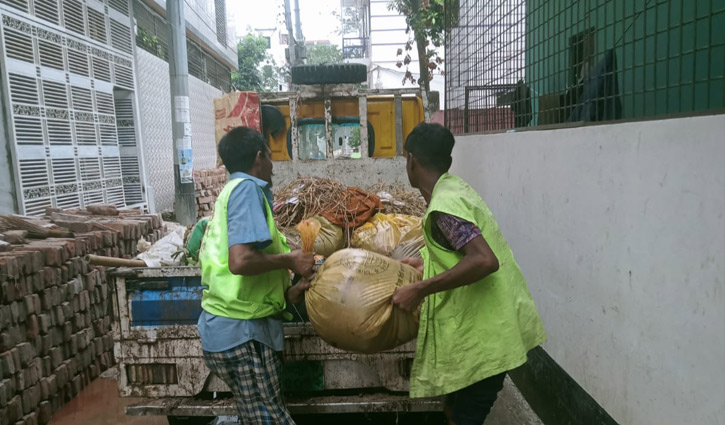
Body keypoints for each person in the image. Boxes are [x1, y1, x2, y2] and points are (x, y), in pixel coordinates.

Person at [392, 123, 547, 425]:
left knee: (464, 419)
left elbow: (484, 260)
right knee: (454, 412)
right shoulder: (453, 189)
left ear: (411, 160)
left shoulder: (444, 206)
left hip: (488, 340)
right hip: (489, 332)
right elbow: (458, 252)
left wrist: (420, 289)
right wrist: (426, 265)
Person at [198, 126, 314, 425]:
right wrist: (290, 258)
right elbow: (241, 261)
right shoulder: (247, 189)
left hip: (234, 328)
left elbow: (245, 279)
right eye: (272, 157)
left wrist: (291, 293)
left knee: (258, 417)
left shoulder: (230, 192)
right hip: (241, 335)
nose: (274, 166)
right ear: (259, 157)